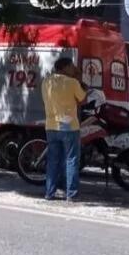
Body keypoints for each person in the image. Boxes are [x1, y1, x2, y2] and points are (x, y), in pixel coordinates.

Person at [42, 57, 87, 202]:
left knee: (53, 160)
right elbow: (83, 100)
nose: (74, 69)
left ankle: (49, 192)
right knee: (71, 159)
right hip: (69, 127)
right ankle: (71, 194)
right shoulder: (72, 82)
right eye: (72, 66)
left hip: (51, 126)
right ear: (65, 67)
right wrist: (79, 78)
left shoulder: (46, 82)